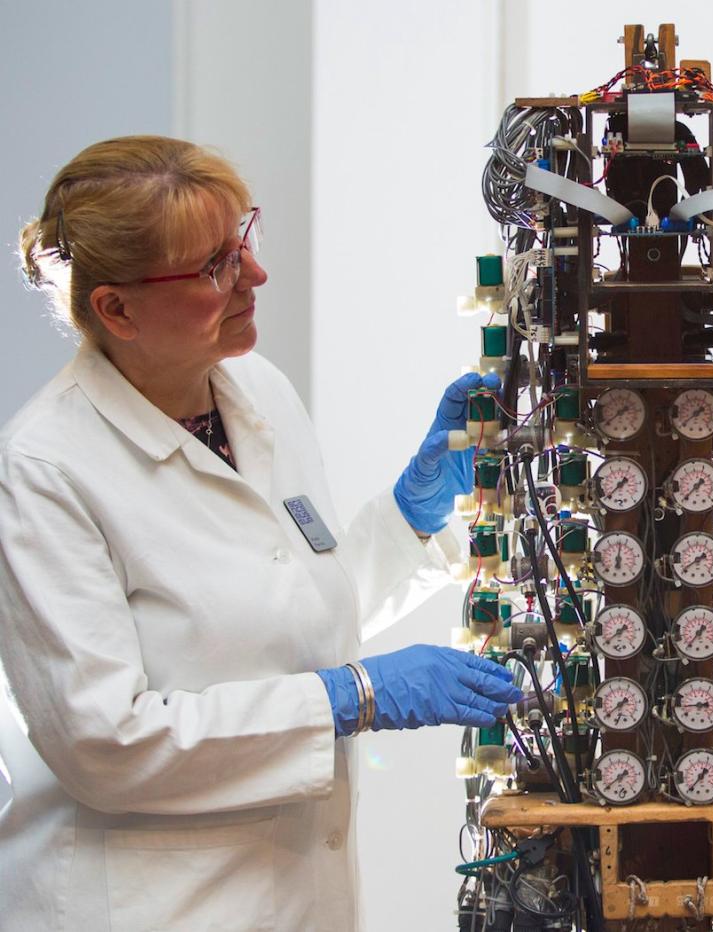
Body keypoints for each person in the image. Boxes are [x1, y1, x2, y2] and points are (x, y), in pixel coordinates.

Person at [0, 136, 522, 931]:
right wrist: (354, 696)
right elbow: (105, 742)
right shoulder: (46, 470)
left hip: (294, 897)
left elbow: (286, 621)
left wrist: (412, 517)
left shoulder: (256, 392)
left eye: (244, 239)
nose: (255, 276)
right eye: (214, 266)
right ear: (117, 309)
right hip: (149, 907)